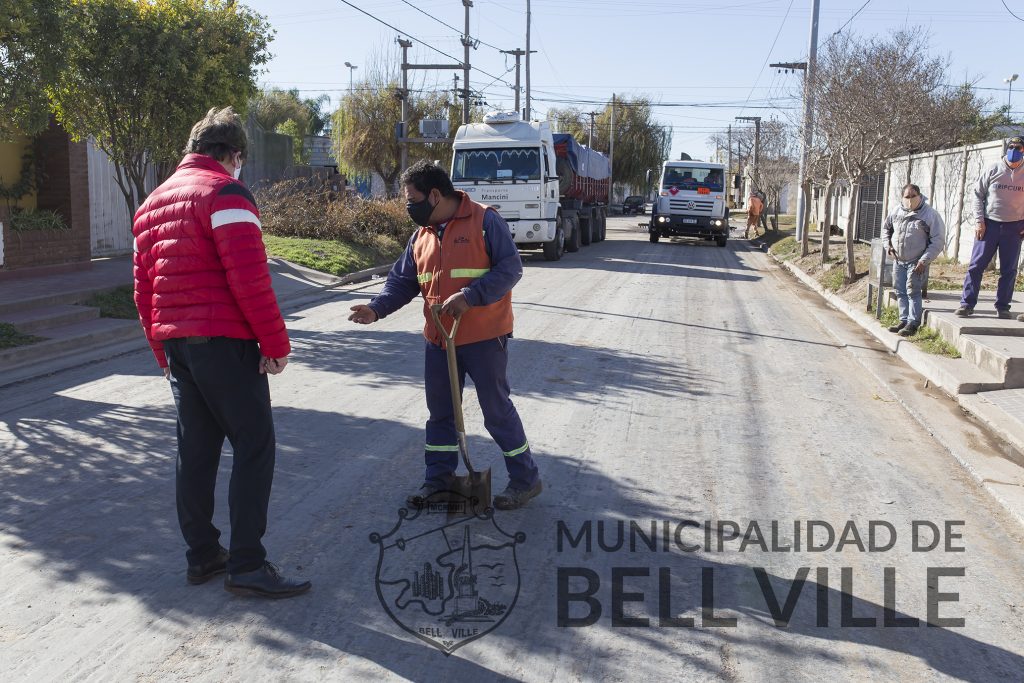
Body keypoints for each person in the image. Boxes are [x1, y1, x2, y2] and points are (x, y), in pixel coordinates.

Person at [132, 107, 310, 598]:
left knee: (196, 453)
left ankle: (204, 556)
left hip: (179, 347)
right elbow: (251, 282)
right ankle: (248, 565)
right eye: (240, 160)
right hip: (225, 343)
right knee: (254, 446)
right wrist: (276, 346)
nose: (240, 168)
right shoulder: (226, 194)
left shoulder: (152, 203)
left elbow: (143, 291)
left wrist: (162, 353)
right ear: (232, 155)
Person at [348, 161, 543, 510]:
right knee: (440, 414)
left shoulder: (485, 220)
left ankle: (525, 479)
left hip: (484, 337)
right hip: (439, 339)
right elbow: (402, 282)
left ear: (435, 195)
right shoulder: (421, 236)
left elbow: (511, 268)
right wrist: (377, 308)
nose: (409, 207)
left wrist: (470, 296)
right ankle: (436, 481)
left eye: (412, 199)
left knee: (496, 411)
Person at [957, 136, 1024, 319]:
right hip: (989, 225)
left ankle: (1003, 307)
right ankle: (967, 304)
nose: (1014, 150)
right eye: (1011, 146)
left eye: (1018, 147)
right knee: (976, 266)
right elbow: (977, 194)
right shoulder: (993, 168)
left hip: (1014, 227)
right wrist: (979, 221)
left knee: (1009, 269)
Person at [883, 184, 946, 336]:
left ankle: (913, 322)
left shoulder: (930, 215)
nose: (910, 200)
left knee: (913, 291)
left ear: (919, 195)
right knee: (900, 291)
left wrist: (924, 260)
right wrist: (888, 246)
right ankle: (903, 320)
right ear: (902, 197)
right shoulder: (896, 211)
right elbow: (886, 229)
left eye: (913, 196)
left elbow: (937, 241)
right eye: (907, 197)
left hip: (917, 262)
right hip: (899, 260)